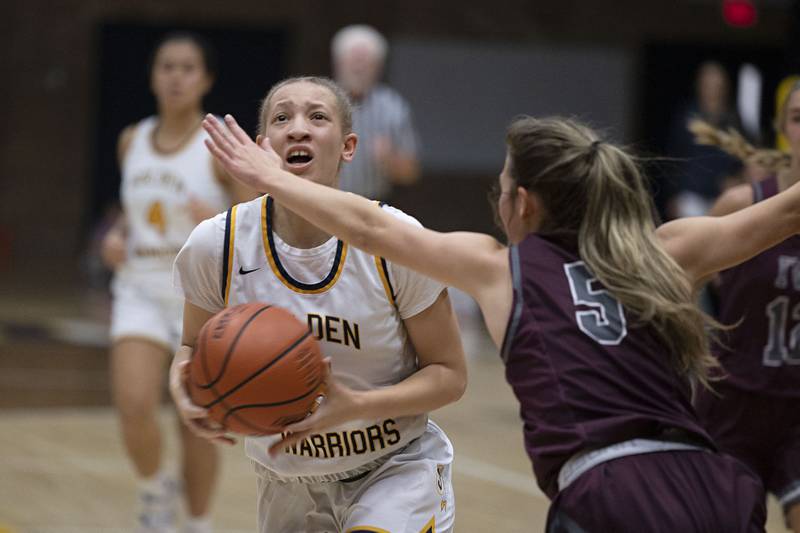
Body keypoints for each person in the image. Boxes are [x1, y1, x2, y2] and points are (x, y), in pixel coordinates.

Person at [203, 109, 800, 532]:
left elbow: (369, 229)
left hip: (611, 491)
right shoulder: (666, 250)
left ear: (524, 203)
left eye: (502, 187)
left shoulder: (502, 271)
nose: (498, 197)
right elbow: (784, 212)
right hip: (715, 484)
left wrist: (271, 178)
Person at [170, 77, 466, 533]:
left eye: (318, 117)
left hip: (395, 467)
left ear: (348, 147)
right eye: (282, 117)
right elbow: (190, 349)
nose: (299, 129)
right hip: (286, 481)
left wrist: (361, 405)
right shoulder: (218, 244)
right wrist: (184, 391)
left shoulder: (397, 240)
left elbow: (450, 375)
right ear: (261, 146)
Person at [101, 32, 254, 533]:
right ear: (152, 76)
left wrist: (219, 218)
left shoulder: (218, 148)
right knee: (134, 403)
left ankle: (198, 522)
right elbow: (132, 211)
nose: (176, 76)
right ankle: (154, 493)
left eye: (188, 67)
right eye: (167, 66)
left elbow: (256, 221)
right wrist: (117, 236)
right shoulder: (132, 140)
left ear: (206, 79)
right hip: (140, 287)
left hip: (201, 296)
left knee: (199, 424)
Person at [693, 80, 800, 532]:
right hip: (734, 404)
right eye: (798, 118)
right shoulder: (742, 205)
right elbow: (681, 279)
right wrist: (689, 350)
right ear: (782, 129)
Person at [332, 24, 420, 201]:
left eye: (365, 61)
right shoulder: (319, 100)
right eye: (353, 59)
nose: (359, 67)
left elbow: (411, 173)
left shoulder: (393, 106)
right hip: (324, 201)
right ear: (338, 62)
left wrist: (390, 160)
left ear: (378, 66)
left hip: (372, 204)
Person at [666, 61, 742, 218]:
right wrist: (672, 194)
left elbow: (741, 156)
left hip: (722, 195)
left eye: (717, 84)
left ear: (725, 87)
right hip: (691, 194)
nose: (713, 89)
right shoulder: (687, 117)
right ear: (699, 85)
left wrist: (737, 178)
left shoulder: (733, 120)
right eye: (708, 84)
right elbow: (674, 157)